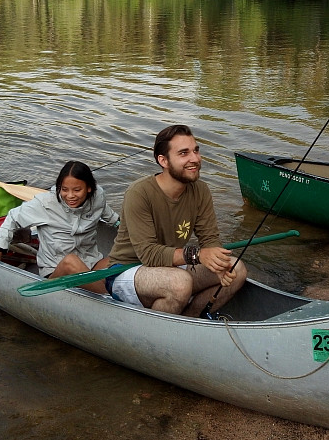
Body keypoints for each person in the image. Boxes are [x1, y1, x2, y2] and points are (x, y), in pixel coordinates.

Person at [100, 124, 247, 316]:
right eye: (184, 153)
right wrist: (198, 255)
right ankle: (155, 333)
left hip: (172, 267)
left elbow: (210, 239)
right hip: (128, 270)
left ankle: (189, 320)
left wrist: (217, 263)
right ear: (163, 160)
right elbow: (149, 255)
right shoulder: (139, 193)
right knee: (180, 283)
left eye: (196, 151)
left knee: (237, 269)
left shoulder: (201, 191)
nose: (195, 159)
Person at [0, 161, 119, 293]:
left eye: (77, 190)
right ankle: (108, 296)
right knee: (71, 261)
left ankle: (103, 288)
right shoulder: (45, 203)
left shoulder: (98, 197)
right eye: (64, 189)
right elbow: (12, 218)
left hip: (91, 264)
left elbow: (114, 219)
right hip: (56, 271)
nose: (70, 195)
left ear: (89, 188)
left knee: (123, 257)